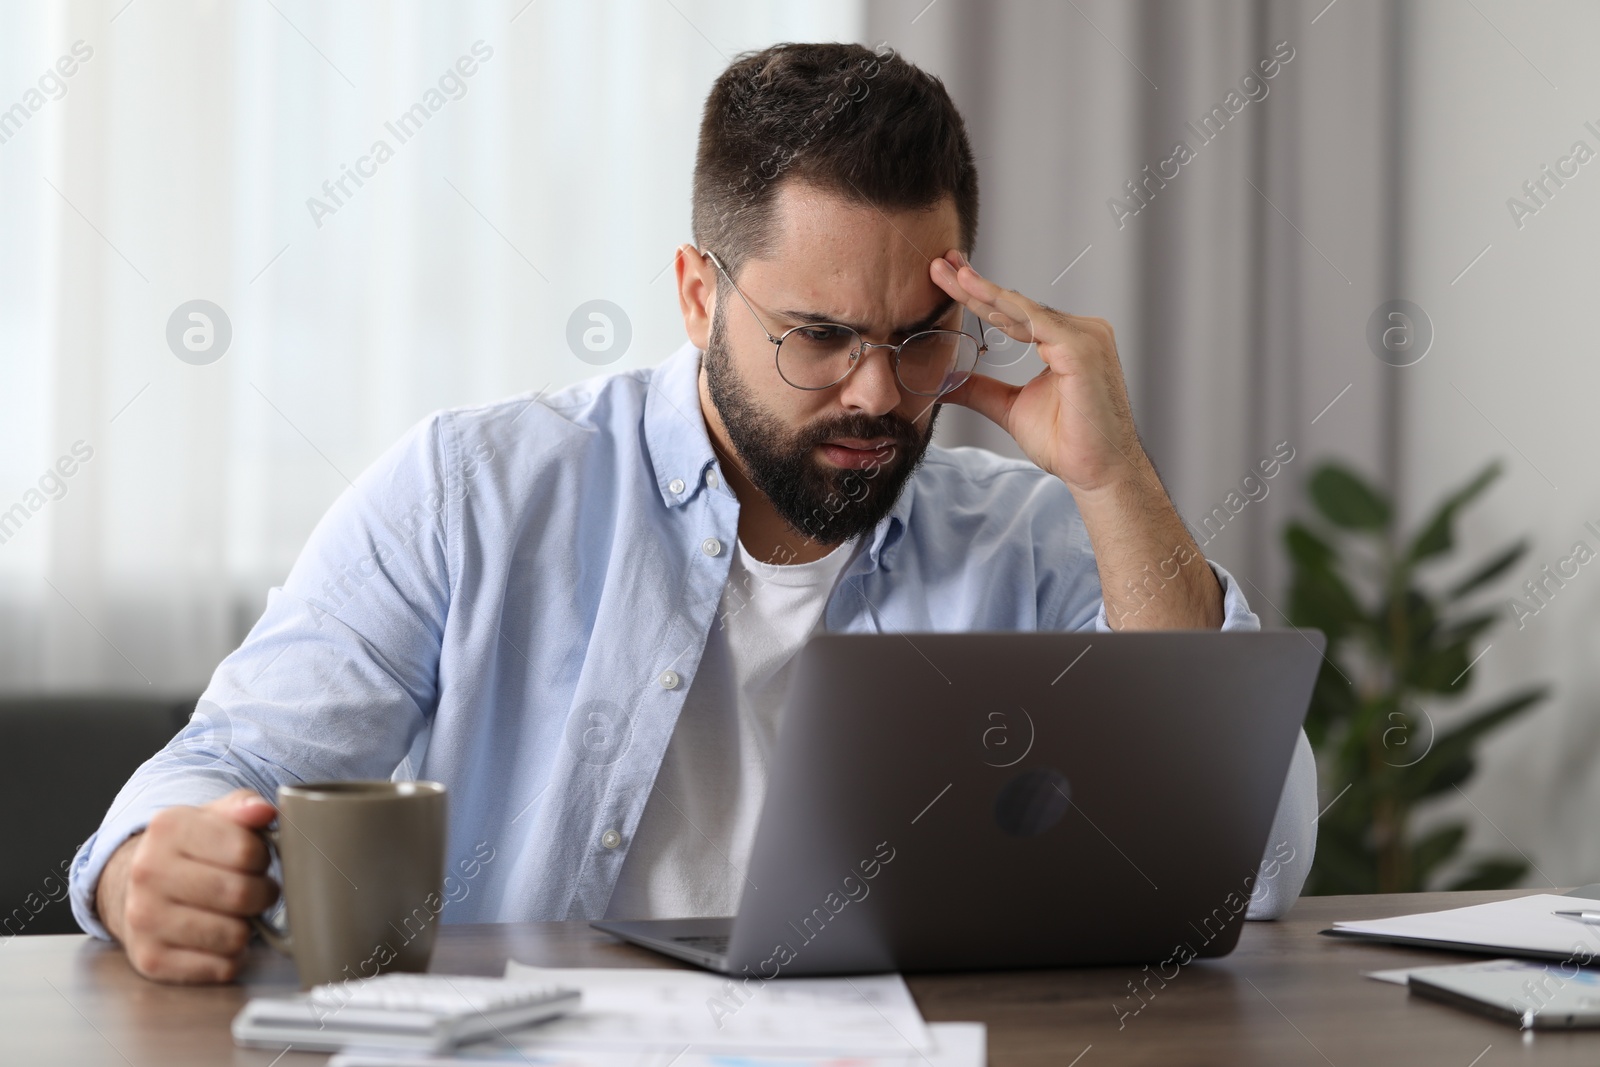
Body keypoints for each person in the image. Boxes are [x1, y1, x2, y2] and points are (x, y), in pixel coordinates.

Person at [69, 41, 1317, 984]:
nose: (877, 393)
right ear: (694, 294)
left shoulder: (1036, 534)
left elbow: (1246, 873)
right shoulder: (471, 493)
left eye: (922, 337)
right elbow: (222, 768)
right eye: (817, 337)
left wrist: (1115, 484)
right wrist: (142, 869)